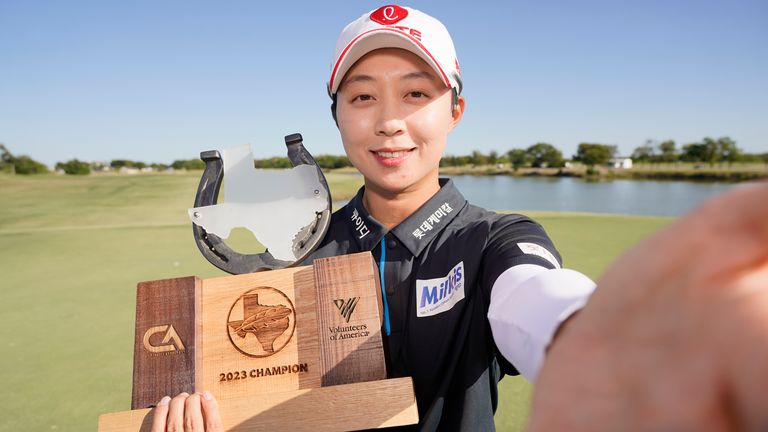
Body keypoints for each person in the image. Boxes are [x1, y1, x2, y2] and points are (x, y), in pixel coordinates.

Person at [150, 5, 768, 431]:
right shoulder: (296, 253)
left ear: (456, 111)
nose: (389, 120)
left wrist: (598, 338)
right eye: (362, 96)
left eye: (416, 94)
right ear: (337, 116)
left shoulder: (495, 240)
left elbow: (534, 297)